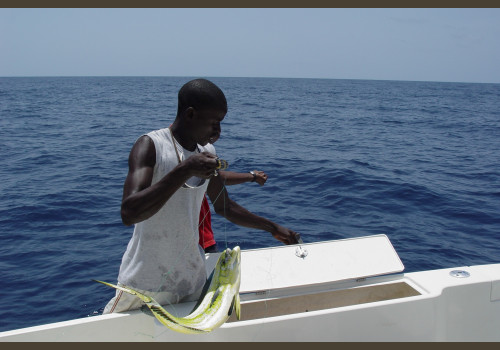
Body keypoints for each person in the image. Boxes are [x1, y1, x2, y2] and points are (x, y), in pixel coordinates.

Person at [103, 78, 299, 314]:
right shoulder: (151, 145)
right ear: (190, 115)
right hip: (143, 284)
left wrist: (272, 227)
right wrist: (185, 169)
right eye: (214, 122)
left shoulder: (207, 152)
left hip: (190, 282)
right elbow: (129, 213)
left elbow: (224, 206)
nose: (218, 131)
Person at [199, 169, 269, 253]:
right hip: (203, 243)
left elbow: (213, 176)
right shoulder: (192, 170)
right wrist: (252, 176)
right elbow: (215, 176)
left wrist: (252, 176)